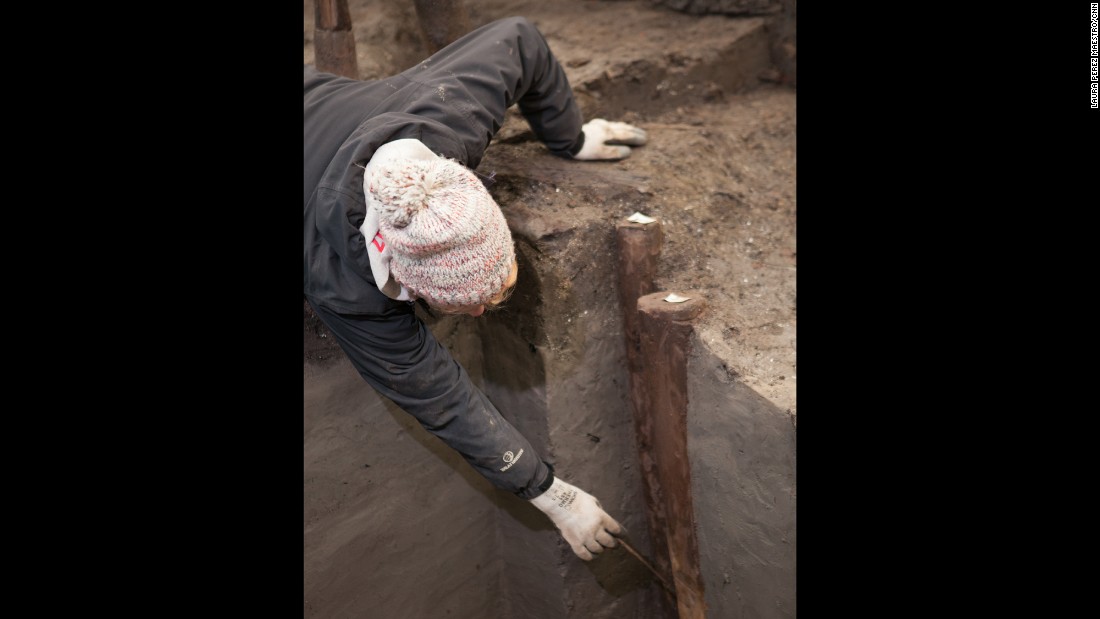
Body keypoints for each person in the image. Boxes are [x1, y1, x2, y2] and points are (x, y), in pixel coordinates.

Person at [303, 16, 647, 561]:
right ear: (405, 281)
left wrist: (570, 137)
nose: (486, 311)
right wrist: (550, 493)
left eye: (499, 289)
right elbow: (435, 392)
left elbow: (521, 37)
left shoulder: (449, 115)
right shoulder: (343, 285)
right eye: (470, 305)